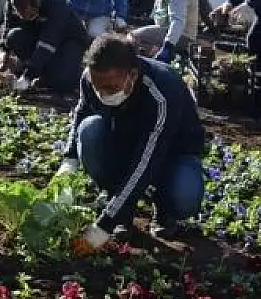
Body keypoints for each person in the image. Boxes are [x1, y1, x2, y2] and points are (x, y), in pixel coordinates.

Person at [62, 35, 206, 252]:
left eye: (110, 88)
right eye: (97, 86)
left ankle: (163, 211)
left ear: (132, 75)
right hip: (125, 143)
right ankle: (119, 205)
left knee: (183, 195)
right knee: (89, 131)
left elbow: (146, 161)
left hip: (171, 154)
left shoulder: (162, 93)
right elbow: (82, 112)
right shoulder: (92, 77)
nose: (102, 94)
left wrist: (103, 227)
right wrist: (69, 159)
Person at [0, 0, 90, 94]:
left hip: (69, 40)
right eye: (22, 17)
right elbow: (8, 29)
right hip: (40, 36)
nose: (27, 19)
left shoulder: (57, 3)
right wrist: (4, 56)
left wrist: (27, 76)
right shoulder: (12, 2)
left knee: (63, 83)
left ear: (38, 2)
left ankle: (80, 73)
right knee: (13, 37)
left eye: (31, 15)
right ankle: (44, 73)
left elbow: (48, 42)